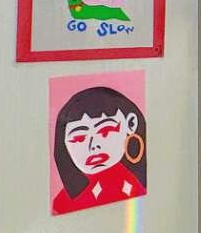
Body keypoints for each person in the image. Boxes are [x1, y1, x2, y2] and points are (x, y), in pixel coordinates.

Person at [51, 83, 146, 214]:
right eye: (79, 138)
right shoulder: (62, 202)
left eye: (105, 131)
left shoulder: (139, 184)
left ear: (131, 124)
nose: (93, 146)